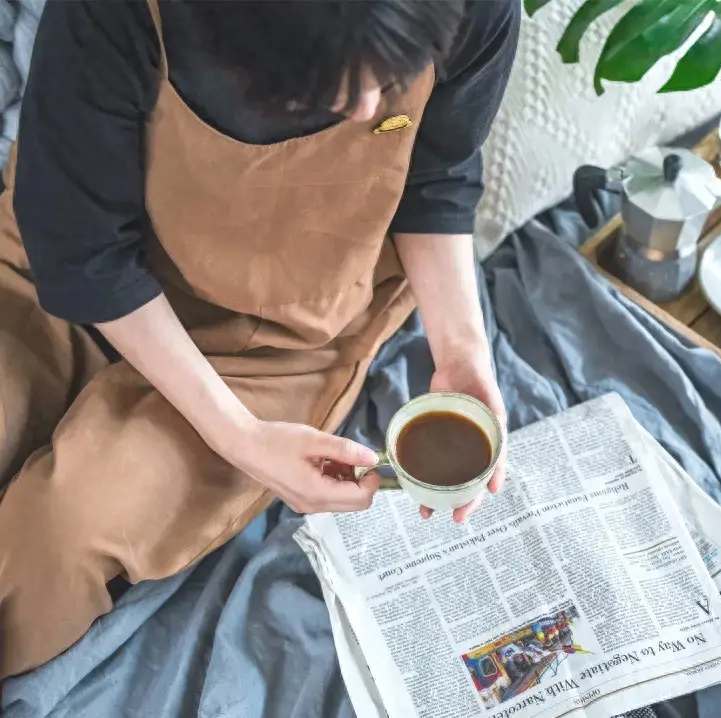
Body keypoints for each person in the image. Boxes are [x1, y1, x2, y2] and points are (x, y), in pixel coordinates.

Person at [0, 0, 518, 680]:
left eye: (389, 75)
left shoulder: (476, 10)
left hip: (280, 337)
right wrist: (239, 442)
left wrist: (461, 351)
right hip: (61, 265)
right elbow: (80, 248)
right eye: (324, 88)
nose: (366, 109)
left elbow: (437, 178)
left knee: (55, 545)